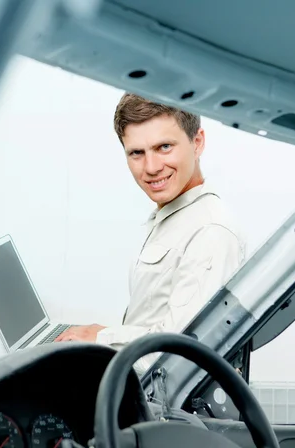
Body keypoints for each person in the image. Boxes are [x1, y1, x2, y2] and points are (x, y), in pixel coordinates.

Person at [55, 93, 246, 373]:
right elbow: (159, 324)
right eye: (137, 153)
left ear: (197, 142)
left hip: (157, 406)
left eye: (164, 147)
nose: (152, 167)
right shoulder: (173, 214)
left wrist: (101, 337)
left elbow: (179, 351)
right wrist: (97, 336)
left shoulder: (209, 231)